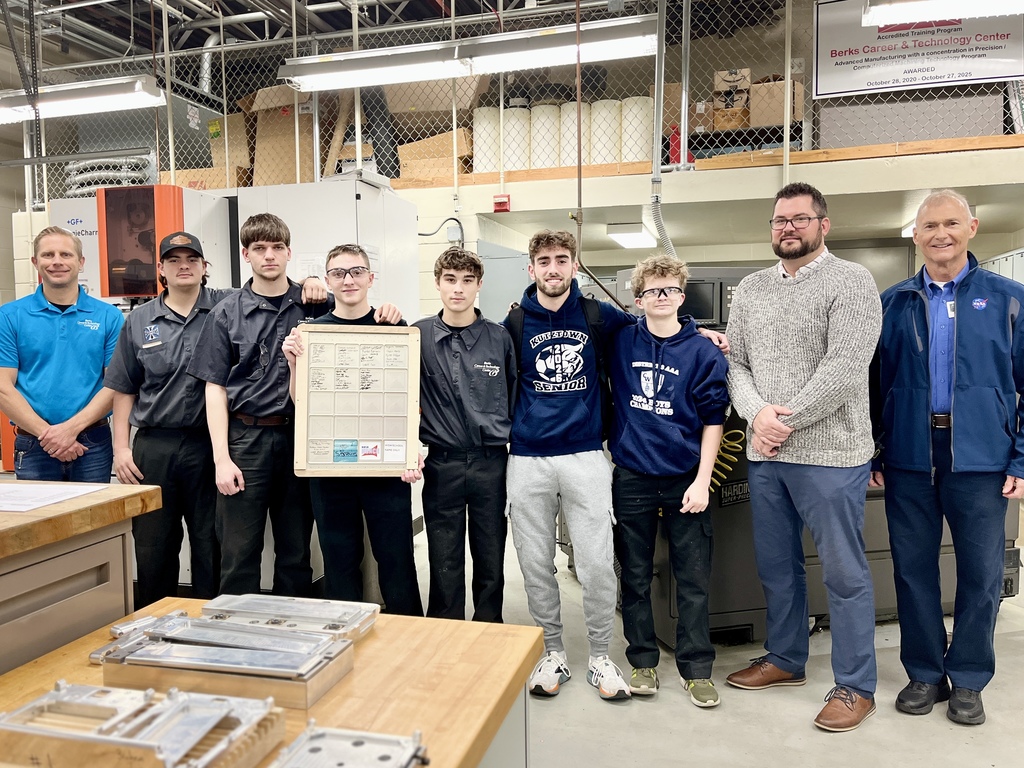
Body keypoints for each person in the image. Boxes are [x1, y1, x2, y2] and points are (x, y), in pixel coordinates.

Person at [724, 182, 881, 732]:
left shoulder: (853, 282)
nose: (786, 228)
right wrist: (755, 417)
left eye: (798, 219)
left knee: (844, 574)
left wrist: (778, 422)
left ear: (823, 224)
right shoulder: (750, 288)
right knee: (776, 567)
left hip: (832, 456)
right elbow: (736, 365)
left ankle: (856, 684)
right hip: (766, 455)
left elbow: (844, 370)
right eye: (778, 220)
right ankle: (787, 659)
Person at [105, 231, 327, 607]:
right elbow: (125, 387)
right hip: (160, 443)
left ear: (205, 267)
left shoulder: (224, 303)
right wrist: (120, 448)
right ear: (161, 268)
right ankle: (159, 624)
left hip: (213, 442)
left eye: (191, 259)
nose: (183, 266)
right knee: (156, 542)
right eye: (174, 260)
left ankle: (214, 618)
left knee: (214, 541)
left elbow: (272, 282)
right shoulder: (141, 319)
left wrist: (311, 281)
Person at [870, 189, 1024, 726]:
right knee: (913, 572)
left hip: (981, 460)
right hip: (910, 455)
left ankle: (970, 677)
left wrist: (1020, 459)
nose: (941, 233)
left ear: (972, 228)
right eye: (930, 225)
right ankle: (925, 672)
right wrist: (876, 449)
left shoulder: (1009, 299)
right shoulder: (892, 303)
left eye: (951, 223)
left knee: (981, 574)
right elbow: (873, 384)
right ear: (915, 234)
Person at [186, 213, 333, 597]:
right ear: (246, 254)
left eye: (277, 248)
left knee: (296, 551)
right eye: (260, 249)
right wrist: (221, 458)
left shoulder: (314, 305)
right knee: (238, 552)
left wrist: (388, 315)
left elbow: (358, 314)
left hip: (298, 440)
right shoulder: (226, 313)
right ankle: (237, 641)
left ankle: (296, 637)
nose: (270, 256)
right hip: (244, 441)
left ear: (289, 252)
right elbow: (214, 389)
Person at [609, 255, 729, 706]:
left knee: (693, 579)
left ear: (682, 295)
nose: (662, 298)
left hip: (685, 478)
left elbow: (713, 419)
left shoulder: (702, 351)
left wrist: (703, 481)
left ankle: (697, 670)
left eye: (671, 290)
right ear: (638, 299)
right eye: (653, 291)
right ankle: (642, 661)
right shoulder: (621, 341)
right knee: (635, 577)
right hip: (633, 477)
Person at [283, 244, 421, 615]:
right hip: (330, 468)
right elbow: (302, 402)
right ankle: (346, 638)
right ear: (328, 281)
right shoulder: (310, 333)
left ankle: (410, 638)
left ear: (371, 278)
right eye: (339, 273)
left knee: (396, 559)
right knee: (339, 560)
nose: (348, 280)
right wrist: (293, 364)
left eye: (357, 271)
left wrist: (411, 451)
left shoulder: (392, 327)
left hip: (385, 469)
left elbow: (406, 398)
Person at [402, 246, 516, 622]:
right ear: (437, 283)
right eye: (450, 280)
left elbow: (515, 397)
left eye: (467, 281)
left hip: (491, 463)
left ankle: (489, 629)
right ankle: (444, 631)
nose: (458, 289)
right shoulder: (415, 337)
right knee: (443, 557)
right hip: (442, 464)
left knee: (490, 556)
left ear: (479, 285)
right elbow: (399, 397)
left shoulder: (499, 339)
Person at [0, 226, 124, 482]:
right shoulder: (10, 316)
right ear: (35, 262)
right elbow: (3, 387)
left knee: (95, 521)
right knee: (39, 521)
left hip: (92, 442)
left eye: (66, 255)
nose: (57, 261)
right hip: (33, 442)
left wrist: (71, 430)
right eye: (48, 255)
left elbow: (115, 385)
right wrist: (51, 436)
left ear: (80, 262)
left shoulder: (108, 317)